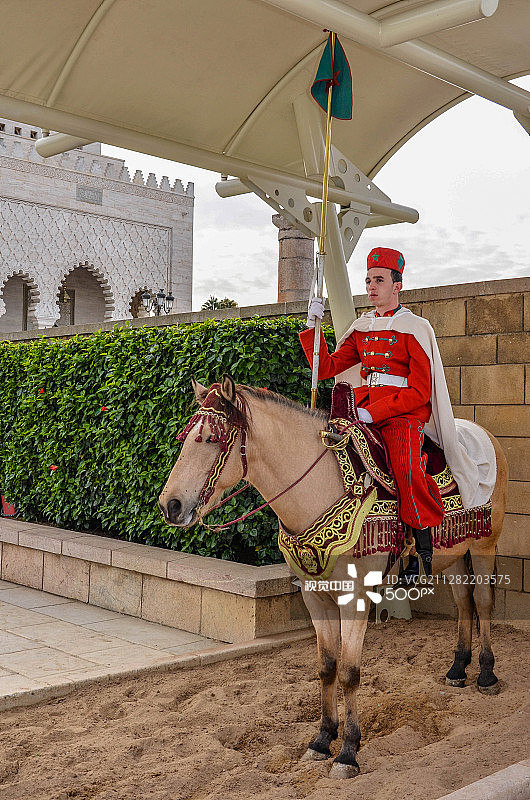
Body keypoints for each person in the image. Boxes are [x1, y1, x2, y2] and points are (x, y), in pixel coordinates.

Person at [299, 247, 444, 583]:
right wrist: (312, 326)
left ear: (397, 285)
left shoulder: (415, 328)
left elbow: (420, 392)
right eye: (368, 280)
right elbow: (327, 368)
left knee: (406, 467)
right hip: (360, 406)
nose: (371, 286)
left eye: (379, 280)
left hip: (401, 412)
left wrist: (373, 412)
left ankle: (421, 547)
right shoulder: (362, 327)